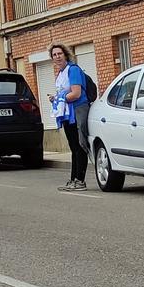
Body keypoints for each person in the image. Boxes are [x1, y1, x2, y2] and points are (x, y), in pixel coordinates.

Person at [49, 44, 91, 192]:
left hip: (77, 110)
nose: (57, 57)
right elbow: (65, 94)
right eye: (54, 55)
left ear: (65, 54)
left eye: (59, 53)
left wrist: (60, 98)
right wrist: (56, 98)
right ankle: (73, 179)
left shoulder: (73, 70)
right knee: (73, 146)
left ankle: (80, 180)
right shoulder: (60, 74)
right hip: (66, 112)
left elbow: (76, 93)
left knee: (80, 145)